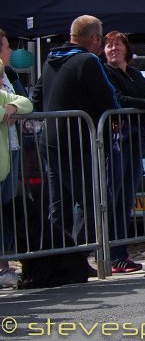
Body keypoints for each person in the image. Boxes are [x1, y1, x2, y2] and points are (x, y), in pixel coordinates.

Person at [31, 15, 120, 260]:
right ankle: (78, 257)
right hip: (78, 141)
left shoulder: (50, 60)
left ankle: (56, 258)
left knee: (59, 205)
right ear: (94, 38)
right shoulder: (88, 61)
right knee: (93, 201)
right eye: (100, 39)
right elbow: (108, 100)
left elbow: (36, 98)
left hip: (49, 140)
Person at [102, 32, 145, 274]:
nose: (113, 49)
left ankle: (121, 255)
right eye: (109, 45)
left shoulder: (133, 73)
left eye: (117, 44)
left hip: (136, 139)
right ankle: (112, 255)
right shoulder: (105, 72)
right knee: (114, 198)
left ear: (126, 49)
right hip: (117, 141)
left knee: (126, 198)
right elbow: (120, 99)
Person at [0, 29, 32, 288]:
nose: (11, 50)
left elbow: (25, 101)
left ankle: (5, 263)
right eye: (6, 46)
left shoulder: (9, 74)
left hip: (11, 148)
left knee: (7, 208)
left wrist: (12, 106)